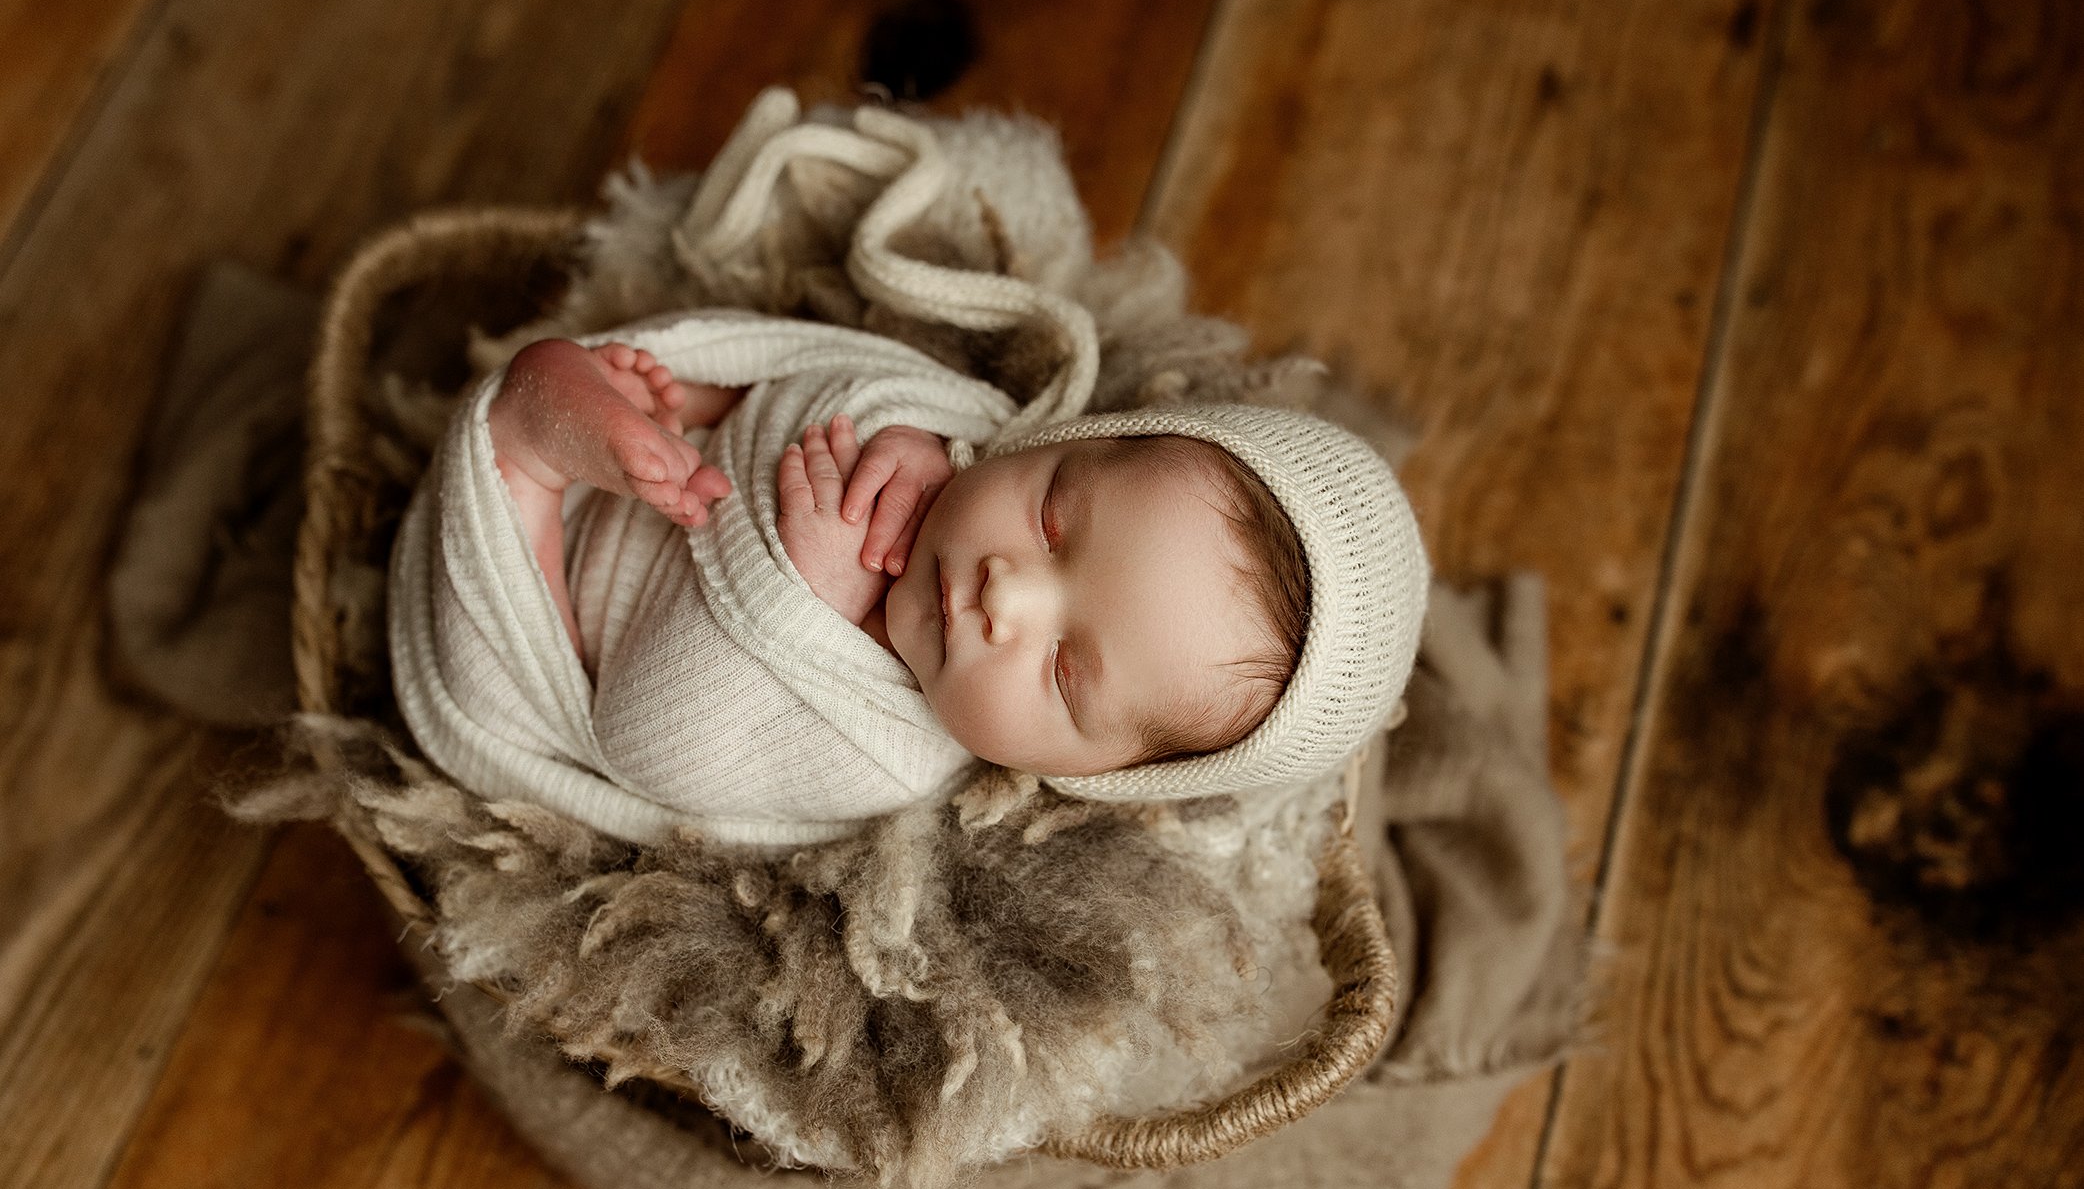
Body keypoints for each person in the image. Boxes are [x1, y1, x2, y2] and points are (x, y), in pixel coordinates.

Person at [391, 315, 1427, 847]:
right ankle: (614, 394)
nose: (1004, 594)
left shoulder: (884, 755)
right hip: (668, 452)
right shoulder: (955, 436)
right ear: (1070, 438)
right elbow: (817, 374)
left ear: (1092, 775)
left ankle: (521, 463)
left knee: (495, 702)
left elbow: (648, 748)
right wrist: (902, 427)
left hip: (550, 615)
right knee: (787, 391)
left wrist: (807, 604)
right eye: (1054, 516)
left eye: (1065, 669)